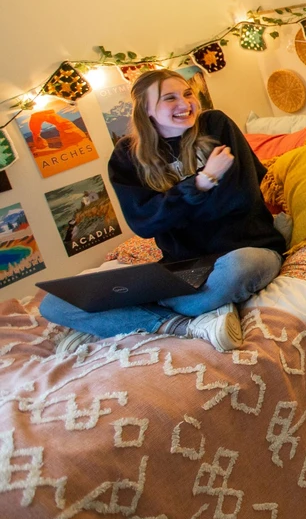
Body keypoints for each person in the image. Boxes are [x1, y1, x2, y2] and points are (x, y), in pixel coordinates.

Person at [41, 69, 285, 353]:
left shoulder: (215, 125)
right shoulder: (127, 157)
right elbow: (144, 224)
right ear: (146, 110)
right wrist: (202, 183)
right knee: (55, 303)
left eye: (187, 93)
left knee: (239, 268)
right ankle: (183, 325)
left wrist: (168, 208)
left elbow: (238, 199)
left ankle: (131, 321)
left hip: (247, 249)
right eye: (170, 98)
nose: (185, 104)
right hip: (184, 266)